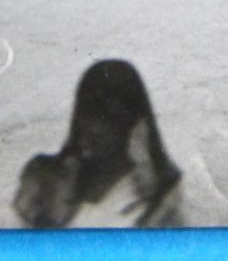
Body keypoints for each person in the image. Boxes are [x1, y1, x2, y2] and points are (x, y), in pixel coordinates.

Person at [13, 59, 182, 228]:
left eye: (104, 115)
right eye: (86, 110)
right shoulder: (47, 182)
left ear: (132, 121)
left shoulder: (158, 199)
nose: (89, 125)